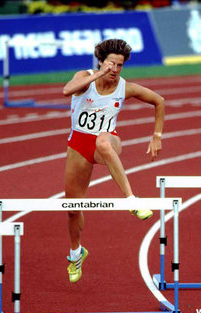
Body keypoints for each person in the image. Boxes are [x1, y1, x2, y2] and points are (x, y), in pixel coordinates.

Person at [62, 39, 164, 283]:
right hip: (78, 144)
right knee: (72, 210)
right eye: (111, 64)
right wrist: (97, 75)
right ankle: (76, 253)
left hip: (108, 140)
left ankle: (131, 199)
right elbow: (67, 90)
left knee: (104, 143)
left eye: (119, 65)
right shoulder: (84, 77)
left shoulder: (125, 87)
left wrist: (156, 136)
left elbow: (159, 101)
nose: (115, 70)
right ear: (101, 61)